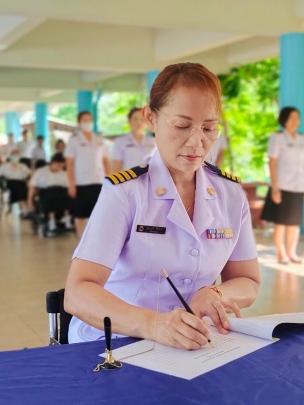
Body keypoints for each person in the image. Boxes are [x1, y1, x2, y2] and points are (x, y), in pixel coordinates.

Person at [63, 63, 260, 349]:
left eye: (209, 128)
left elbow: (247, 281)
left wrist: (217, 293)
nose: (196, 142)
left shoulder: (230, 194)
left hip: (191, 342)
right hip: (117, 340)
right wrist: (154, 325)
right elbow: (78, 292)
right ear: (150, 118)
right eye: (181, 126)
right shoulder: (126, 192)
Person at [261, 106, 304, 264]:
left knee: (294, 222)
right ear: (284, 120)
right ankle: (281, 254)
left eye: (297, 118)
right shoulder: (277, 137)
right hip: (282, 185)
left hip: (298, 186)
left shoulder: (302, 138)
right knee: (281, 222)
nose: (295, 121)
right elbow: (272, 162)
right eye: (291, 118)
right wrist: (275, 187)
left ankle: (292, 252)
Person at [65, 111, 109, 237]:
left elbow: (106, 161)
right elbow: (69, 164)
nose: (87, 123)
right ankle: (81, 241)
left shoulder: (99, 140)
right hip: (81, 182)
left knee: (97, 213)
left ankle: (94, 239)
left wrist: (110, 179)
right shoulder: (74, 141)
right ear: (79, 123)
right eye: (84, 120)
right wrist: (71, 184)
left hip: (98, 180)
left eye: (89, 120)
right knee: (79, 214)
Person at [28, 153, 72, 231]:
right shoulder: (41, 172)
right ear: (53, 162)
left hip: (61, 192)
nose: (59, 167)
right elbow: (32, 186)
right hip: (46, 192)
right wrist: (30, 200)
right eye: (58, 165)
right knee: (49, 196)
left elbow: (69, 186)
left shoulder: (64, 174)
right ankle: (51, 221)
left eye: (61, 165)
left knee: (68, 196)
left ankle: (67, 219)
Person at [111, 107, 157, 172]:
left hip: (149, 180)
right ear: (129, 121)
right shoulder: (120, 142)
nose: (139, 122)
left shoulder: (154, 142)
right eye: (135, 119)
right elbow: (116, 166)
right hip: (128, 180)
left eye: (142, 119)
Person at [0, 151, 32, 217]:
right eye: (13, 156)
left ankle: (28, 209)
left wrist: (30, 182)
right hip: (9, 183)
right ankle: (23, 210)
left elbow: (31, 174)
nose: (15, 158)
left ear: (19, 158)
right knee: (19, 189)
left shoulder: (23, 166)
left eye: (16, 156)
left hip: (21, 182)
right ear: (10, 157)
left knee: (25, 189)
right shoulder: (4, 166)